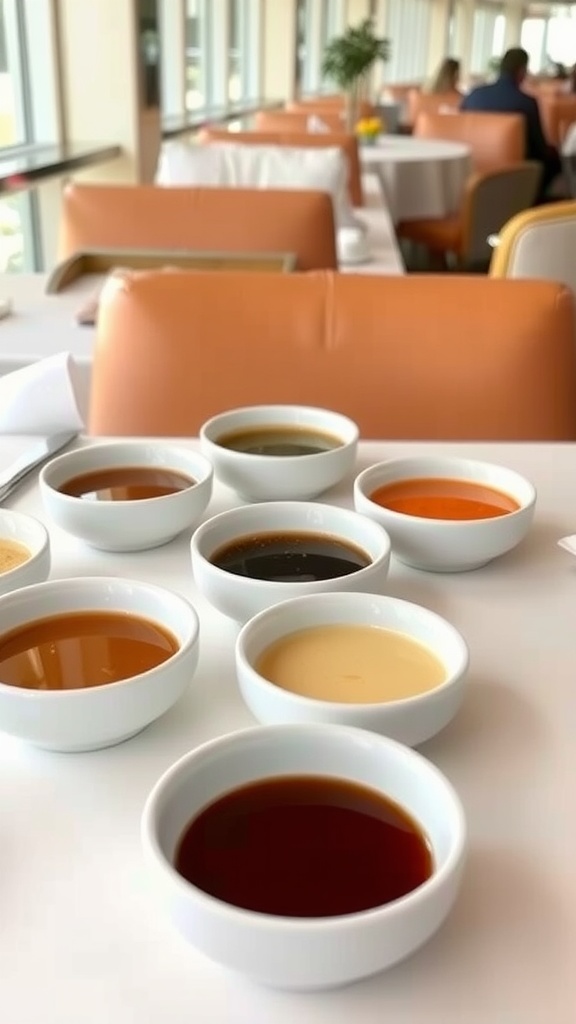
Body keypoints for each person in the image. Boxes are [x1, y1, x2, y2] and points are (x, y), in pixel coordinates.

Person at [460, 47, 562, 201]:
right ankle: (531, 202)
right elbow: (539, 146)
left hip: (473, 165)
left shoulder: (473, 95)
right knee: (554, 160)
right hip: (513, 170)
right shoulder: (526, 102)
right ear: (522, 71)